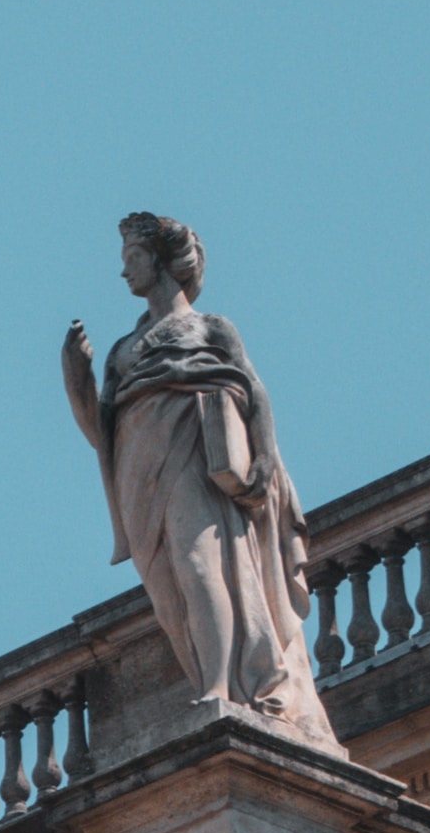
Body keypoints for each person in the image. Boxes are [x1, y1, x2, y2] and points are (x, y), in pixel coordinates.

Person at [61, 210, 341, 749]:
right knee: (168, 593)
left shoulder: (209, 328)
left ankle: (220, 685)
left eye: (132, 258)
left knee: (200, 564)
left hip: (192, 454)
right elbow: (105, 435)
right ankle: (208, 676)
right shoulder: (124, 350)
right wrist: (78, 381)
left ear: (164, 262)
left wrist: (264, 458)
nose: (124, 273)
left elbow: (252, 391)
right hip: (139, 473)